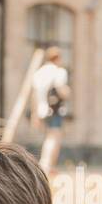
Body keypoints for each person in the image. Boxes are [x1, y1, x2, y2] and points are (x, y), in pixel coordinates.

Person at [31, 46, 70, 176]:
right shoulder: (59, 72)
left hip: (42, 110)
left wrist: (34, 114)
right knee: (53, 137)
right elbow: (61, 89)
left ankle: (46, 164)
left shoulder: (39, 73)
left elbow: (35, 95)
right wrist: (67, 92)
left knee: (48, 136)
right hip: (54, 110)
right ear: (57, 58)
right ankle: (46, 165)